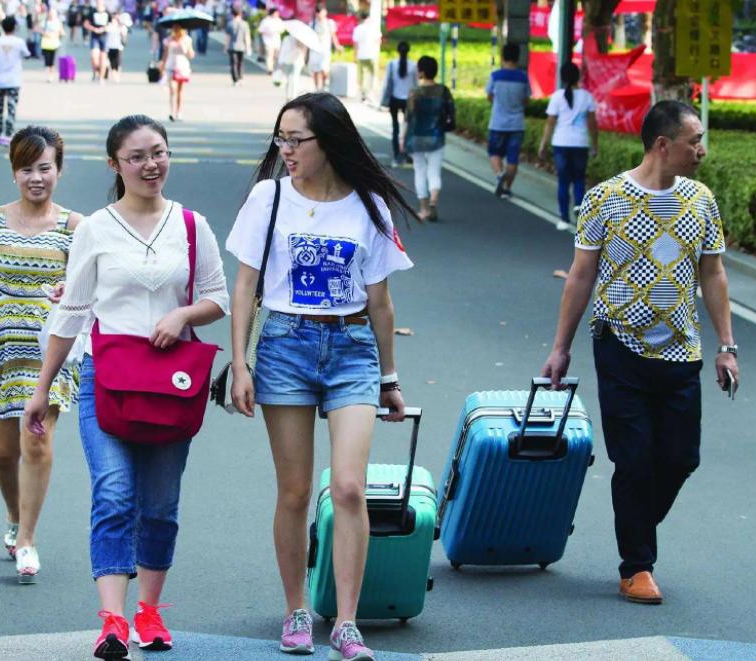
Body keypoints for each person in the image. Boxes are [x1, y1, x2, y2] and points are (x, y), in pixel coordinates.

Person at [24, 114, 229, 659]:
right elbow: (72, 311)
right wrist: (42, 388)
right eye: (136, 157)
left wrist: (182, 314)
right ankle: (112, 620)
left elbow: (218, 297)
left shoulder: (192, 225)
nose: (150, 165)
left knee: (160, 504)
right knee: (114, 493)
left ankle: (149, 612)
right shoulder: (95, 228)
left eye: (158, 152)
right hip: (107, 378)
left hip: (170, 384)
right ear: (115, 165)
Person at [226, 92, 417, 661]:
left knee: (350, 487)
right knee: (295, 490)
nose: (285, 150)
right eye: (280, 139)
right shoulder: (268, 197)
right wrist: (240, 365)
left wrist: (389, 378)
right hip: (283, 345)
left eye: (296, 140)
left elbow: (380, 302)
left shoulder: (369, 205)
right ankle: (297, 611)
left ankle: (348, 623)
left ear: (328, 141)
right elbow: (245, 287)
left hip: (352, 348)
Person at [540, 101, 738, 606]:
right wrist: (560, 348)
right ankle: (637, 566)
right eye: (695, 140)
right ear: (663, 145)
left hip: (682, 351)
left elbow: (713, 273)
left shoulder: (701, 200)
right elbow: (581, 275)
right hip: (619, 347)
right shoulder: (605, 199)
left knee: (680, 458)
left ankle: (636, 524)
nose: (702, 150)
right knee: (633, 460)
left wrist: (727, 346)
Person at [0, 126, 83, 584]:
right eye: (26, 168)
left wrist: (72, 289)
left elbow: (91, 285)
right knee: (2, 452)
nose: (36, 177)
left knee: (37, 441)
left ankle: (28, 538)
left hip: (50, 345)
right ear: (14, 172)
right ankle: (14, 515)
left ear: (59, 171)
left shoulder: (75, 227)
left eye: (44, 168)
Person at [538, 62, 598, 226]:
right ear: (578, 77)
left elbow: (550, 123)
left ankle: (563, 218)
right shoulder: (587, 97)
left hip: (561, 143)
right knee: (579, 179)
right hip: (580, 143)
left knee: (563, 181)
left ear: (562, 78)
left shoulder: (557, 97)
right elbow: (593, 124)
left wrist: (543, 144)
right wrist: (595, 145)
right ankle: (578, 206)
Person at [402, 55, 447, 222]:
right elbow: (449, 113)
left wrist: (402, 138)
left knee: (420, 171)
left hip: (416, 137)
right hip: (436, 136)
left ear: (421, 72)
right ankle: (434, 201)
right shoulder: (443, 91)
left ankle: (423, 209)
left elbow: (408, 117)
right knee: (434, 171)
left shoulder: (414, 92)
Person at [486, 43, 529, 198]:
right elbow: (526, 100)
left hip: (498, 122)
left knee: (494, 152)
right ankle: (507, 187)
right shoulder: (523, 78)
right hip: (517, 124)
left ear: (503, 57)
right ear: (517, 58)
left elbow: (489, 96)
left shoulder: (495, 76)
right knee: (513, 158)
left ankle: (499, 174)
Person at [0, 16, 31, 147]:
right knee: (11, 108)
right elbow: (27, 54)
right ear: (15, 27)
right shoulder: (19, 42)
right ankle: (8, 135)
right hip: (14, 80)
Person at [381, 41, 415, 167]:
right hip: (409, 101)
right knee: (409, 128)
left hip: (394, 100)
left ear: (398, 51)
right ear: (408, 51)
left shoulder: (391, 64)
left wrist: (383, 99)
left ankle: (396, 155)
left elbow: (387, 83)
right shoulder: (413, 66)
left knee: (395, 128)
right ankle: (406, 153)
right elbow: (415, 85)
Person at [160, 24, 194, 122]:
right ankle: (171, 112)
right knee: (172, 89)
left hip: (182, 67)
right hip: (171, 66)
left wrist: (187, 49)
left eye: (178, 29)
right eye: (174, 29)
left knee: (180, 91)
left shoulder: (187, 40)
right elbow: (165, 54)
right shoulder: (169, 40)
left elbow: (191, 54)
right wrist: (162, 65)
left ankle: (178, 112)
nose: (176, 30)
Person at [308, 5, 340, 92]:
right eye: (317, 13)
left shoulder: (330, 23)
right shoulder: (312, 23)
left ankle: (324, 85)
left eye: (321, 12)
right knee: (315, 70)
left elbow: (333, 36)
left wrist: (337, 46)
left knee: (324, 69)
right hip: (314, 51)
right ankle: (317, 88)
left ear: (325, 12)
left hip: (325, 51)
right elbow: (309, 37)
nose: (319, 15)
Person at [351, 12, 380, 104]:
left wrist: (355, 55)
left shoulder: (357, 29)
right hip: (372, 54)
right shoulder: (374, 28)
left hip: (361, 55)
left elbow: (355, 44)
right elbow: (378, 40)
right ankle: (371, 93)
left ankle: (364, 95)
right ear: (368, 18)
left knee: (363, 75)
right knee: (373, 74)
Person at [85, 0, 112, 82]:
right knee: (94, 57)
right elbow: (86, 24)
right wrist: (94, 29)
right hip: (95, 37)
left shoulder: (107, 12)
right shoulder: (92, 11)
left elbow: (111, 23)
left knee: (103, 58)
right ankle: (96, 70)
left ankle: (101, 77)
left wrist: (104, 28)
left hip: (104, 37)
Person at [224, 6, 251, 85]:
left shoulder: (230, 24)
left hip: (232, 46)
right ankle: (240, 78)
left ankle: (235, 79)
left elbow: (228, 37)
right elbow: (247, 36)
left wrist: (225, 47)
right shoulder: (245, 24)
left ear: (232, 14)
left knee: (233, 63)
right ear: (240, 14)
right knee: (241, 63)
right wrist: (248, 47)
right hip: (242, 46)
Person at [277, 33, 307, 102]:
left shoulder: (302, 38)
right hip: (287, 61)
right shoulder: (287, 38)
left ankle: (293, 97)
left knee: (294, 79)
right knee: (287, 79)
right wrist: (280, 62)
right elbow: (283, 50)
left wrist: (300, 45)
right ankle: (288, 96)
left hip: (297, 61)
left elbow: (304, 51)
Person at [40, 4, 65, 83]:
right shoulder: (45, 22)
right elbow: (40, 30)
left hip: (55, 43)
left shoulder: (58, 22)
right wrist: (46, 34)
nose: (51, 14)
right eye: (50, 13)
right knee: (47, 60)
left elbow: (62, 32)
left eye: (53, 13)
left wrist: (57, 34)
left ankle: (51, 75)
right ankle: (48, 75)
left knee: (52, 61)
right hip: (46, 44)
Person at [257, 8, 284, 73]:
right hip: (268, 41)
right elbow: (260, 30)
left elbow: (282, 29)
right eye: (276, 13)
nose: (277, 14)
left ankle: (273, 67)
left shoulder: (279, 21)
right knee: (269, 55)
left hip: (277, 41)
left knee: (276, 56)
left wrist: (277, 31)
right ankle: (270, 69)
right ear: (272, 13)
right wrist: (267, 32)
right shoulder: (266, 21)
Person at [105, 12, 128, 82]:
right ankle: (112, 74)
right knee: (111, 62)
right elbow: (105, 30)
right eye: (113, 18)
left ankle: (117, 74)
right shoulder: (109, 25)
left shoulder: (122, 27)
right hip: (109, 47)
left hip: (118, 47)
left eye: (115, 18)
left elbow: (124, 36)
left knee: (117, 62)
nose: (113, 19)